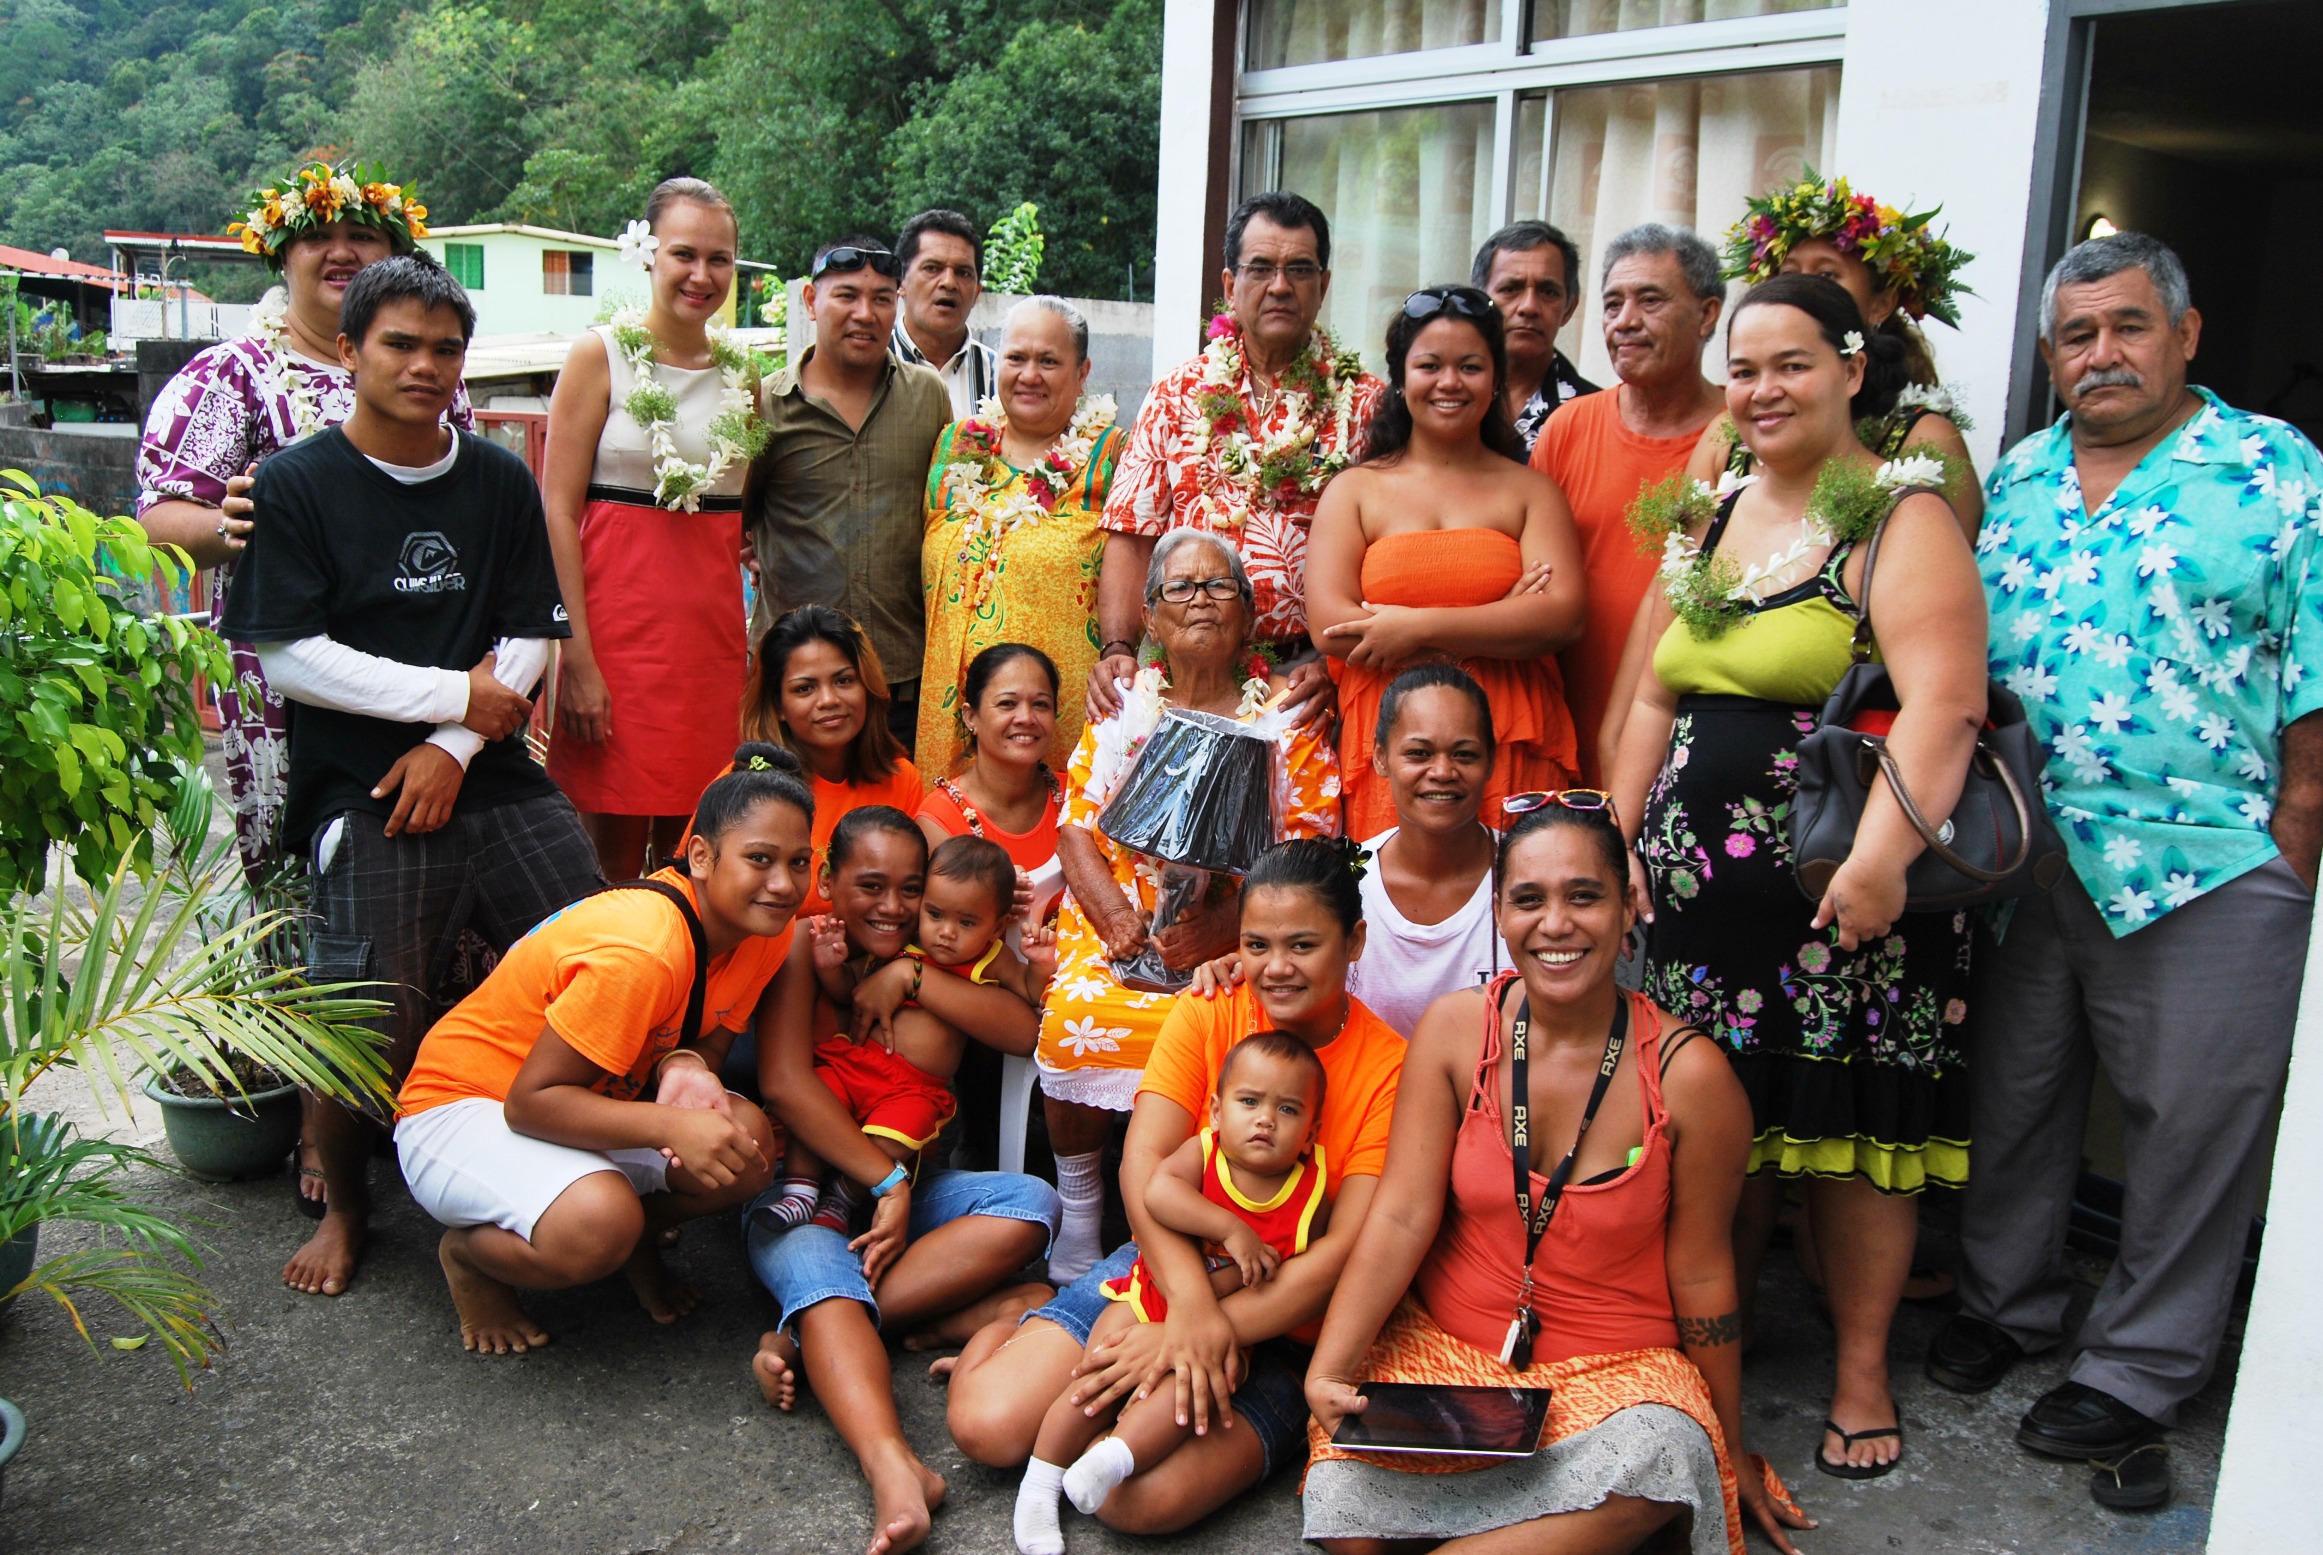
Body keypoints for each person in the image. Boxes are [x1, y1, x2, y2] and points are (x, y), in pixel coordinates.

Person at [1929, 233, 2323, 1514]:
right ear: (2048, 357)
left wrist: (2296, 837)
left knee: (2190, 1128)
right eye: (2076, 336)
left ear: (2187, 334)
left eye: (2127, 327)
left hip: (2209, 862)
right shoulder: (2024, 478)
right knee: (2019, 1096)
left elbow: (2315, 670)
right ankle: (2008, 1302)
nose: (2101, 353)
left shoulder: (2275, 471)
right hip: (2030, 856)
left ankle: (2147, 1363)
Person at [1606, 272, 1989, 1479]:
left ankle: (1862, 1371)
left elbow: (1946, 704)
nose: (1762, 390)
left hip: (1844, 898)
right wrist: (1613, 840)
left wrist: (1880, 863)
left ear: (1850, 369)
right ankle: (1713, 1345)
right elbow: (1652, 692)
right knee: (1723, 1130)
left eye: (1790, 365)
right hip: (1697, 909)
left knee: (1848, 1132)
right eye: (1745, 368)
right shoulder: (1707, 516)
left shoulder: (1896, 515)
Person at [217, 254, 606, 1300]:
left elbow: (530, 631)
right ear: (348, 351)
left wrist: (455, 744)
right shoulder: (297, 482)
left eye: (445, 348)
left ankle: (615, 1181)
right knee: (362, 1014)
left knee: (606, 953)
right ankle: (348, 1207)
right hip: (360, 790)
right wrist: (447, 698)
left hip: (491, 774)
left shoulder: (494, 477)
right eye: (400, 343)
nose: (425, 365)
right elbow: (290, 655)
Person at [1301, 800, 1811, 1554]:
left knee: (1661, 1454)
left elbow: (1704, 1274)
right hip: (1446, 1355)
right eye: (1529, 899)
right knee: (1344, 1511)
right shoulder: (1453, 1030)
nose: (1555, 924)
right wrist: (1329, 1369)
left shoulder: (1689, 1075)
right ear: (1499, 912)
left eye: (1583, 895)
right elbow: (1401, 1216)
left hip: (1615, 1380)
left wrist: (1727, 1447)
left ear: (1627, 904)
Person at [944, 839, 1406, 1537]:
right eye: (1256, 943)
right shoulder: (1210, 1009)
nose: (1275, 967)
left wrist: (1197, 1331)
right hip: (1161, 1277)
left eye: (1303, 945)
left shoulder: (1388, 1066)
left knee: (1129, 1499)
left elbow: (1343, 1253)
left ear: (1354, 941)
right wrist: (1182, 1308)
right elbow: (1143, 1165)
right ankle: (1021, 1318)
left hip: (1283, 1331)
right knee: (987, 1426)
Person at [393, 746, 804, 1351]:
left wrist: (686, 1065)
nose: (783, 884)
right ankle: (472, 1261)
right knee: (599, 1221)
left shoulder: (767, 929)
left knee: (747, 1148)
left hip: (578, 1103)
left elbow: (705, 1044)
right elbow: (528, 1105)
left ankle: (630, 1240)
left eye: (799, 862)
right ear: (701, 856)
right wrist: (669, 1123)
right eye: (760, 859)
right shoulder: (643, 951)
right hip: (461, 1108)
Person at [745, 807, 1063, 1555]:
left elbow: (1023, 1031)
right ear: (829, 883)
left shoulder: (927, 952)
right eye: (870, 886)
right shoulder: (808, 942)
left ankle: (812, 1336)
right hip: (803, 1191)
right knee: (819, 1260)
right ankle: (893, 1466)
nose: (892, 906)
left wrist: (912, 972)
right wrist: (885, 1181)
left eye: (909, 889)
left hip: (905, 1187)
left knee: (1032, 1202)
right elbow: (790, 1086)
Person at [138, 157, 464, 883]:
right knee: (313, 879)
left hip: (425, 655)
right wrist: (228, 525)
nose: (343, 251)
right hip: (291, 676)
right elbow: (157, 518)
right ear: (283, 253)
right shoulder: (230, 376)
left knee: (434, 854)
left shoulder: (432, 371)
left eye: (364, 235)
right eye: (320, 234)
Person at [1035, 531, 1341, 1282]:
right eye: (1180, 587)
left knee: (1234, 1020)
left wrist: (1227, 926)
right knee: (1080, 1013)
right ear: (1149, 616)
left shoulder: (1287, 714)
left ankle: (1207, 1213)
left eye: (1219, 586)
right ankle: (1081, 1215)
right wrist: (1114, 919)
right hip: (1117, 911)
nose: (1200, 599)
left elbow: (1313, 848)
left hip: (1244, 921)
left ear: (1247, 617)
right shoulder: (1121, 705)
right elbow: (1074, 826)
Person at [1014, 1033, 1331, 1554]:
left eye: (1288, 1109)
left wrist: (1216, 1293)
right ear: (1216, 1109)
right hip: (1150, 1293)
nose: (1265, 1119)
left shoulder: (1308, 1196)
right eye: (1248, 1102)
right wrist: (1228, 1229)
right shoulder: (1204, 1153)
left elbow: (1276, 1275)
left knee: (1189, 1395)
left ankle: (1111, 1459)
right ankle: (1040, 1483)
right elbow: (1159, 1191)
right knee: (1096, 1380)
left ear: (1311, 1131)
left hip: (1225, 1324)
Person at [1088, 192, 1384, 728]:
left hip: (1313, 684)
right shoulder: (1176, 394)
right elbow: (1132, 535)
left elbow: (1388, 557)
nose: (1279, 286)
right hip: (1189, 678)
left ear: (1324, 285)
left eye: (1299, 269)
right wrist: (1116, 648)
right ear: (1229, 285)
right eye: (1261, 268)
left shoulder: (1365, 405)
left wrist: (1338, 670)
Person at [543, 177, 763, 877]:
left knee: (695, 847)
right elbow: (556, 509)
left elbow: (741, 517)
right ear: (648, 255)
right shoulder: (596, 356)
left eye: (719, 259)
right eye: (683, 254)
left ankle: (688, 984)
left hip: (707, 645)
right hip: (612, 639)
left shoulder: (744, 377)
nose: (702, 275)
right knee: (602, 855)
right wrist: (575, 658)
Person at [1306, 285, 1584, 835]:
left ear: (1496, 378)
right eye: (1429, 365)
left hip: (1510, 734)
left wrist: (1413, 627)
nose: (1450, 382)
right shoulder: (1356, 490)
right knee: (1393, 908)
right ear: (1402, 378)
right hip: (1395, 739)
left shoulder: (1532, 492)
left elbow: (1562, 616)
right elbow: (1332, 626)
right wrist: (1499, 619)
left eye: (1471, 366)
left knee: (1516, 905)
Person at [759, 826, 1055, 1230]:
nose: (946, 932)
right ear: (826, 880)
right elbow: (854, 995)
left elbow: (1028, 1008)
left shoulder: (985, 957)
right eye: (935, 914)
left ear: (996, 925)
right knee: (824, 1094)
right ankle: (799, 1191)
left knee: (907, 1135)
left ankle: (842, 1199)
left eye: (966, 922)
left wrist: (1038, 963)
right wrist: (830, 967)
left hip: (913, 1088)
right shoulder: (902, 941)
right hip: (858, 1066)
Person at [1530, 223, 1727, 785]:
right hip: (1567, 735)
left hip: (1687, 742)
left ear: (1708, 315)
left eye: (1650, 300)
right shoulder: (1569, 426)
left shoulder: (1741, 437)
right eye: (1613, 304)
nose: (1625, 321)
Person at [744, 236, 950, 749]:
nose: (866, 313)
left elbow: (949, 517)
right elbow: (729, 524)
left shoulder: (928, 397)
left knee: (897, 826)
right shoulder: (764, 405)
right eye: (847, 296)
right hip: (794, 690)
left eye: (882, 298)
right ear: (811, 301)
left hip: (901, 682)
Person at [1697, 170, 1983, 536]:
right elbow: (1678, 566)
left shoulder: (1923, 436)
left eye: (1827, 276)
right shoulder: (1728, 432)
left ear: (1881, 304)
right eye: (1789, 275)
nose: (1804, 289)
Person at [919, 298, 1122, 778]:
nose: (1029, 374)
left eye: (1049, 361)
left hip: (1054, 725)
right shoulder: (955, 444)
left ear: (1082, 370)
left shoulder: (1114, 457)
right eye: (1016, 358)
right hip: (949, 719)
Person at [1344, 665, 1504, 1039]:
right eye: (1419, 753)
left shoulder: (1530, 874)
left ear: (1491, 761)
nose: (1443, 771)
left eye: (1464, 755)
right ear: (1381, 758)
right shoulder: (1342, 879)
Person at [744, 605, 925, 917]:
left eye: (843, 681)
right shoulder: (744, 786)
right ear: (778, 707)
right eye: (805, 688)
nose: (829, 700)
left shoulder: (902, 779)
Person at [1472, 220, 1599, 451]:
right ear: (1479, 301)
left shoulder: (1597, 419)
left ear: (1569, 308)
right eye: (1510, 289)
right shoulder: (1444, 398)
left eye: (1548, 292)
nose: (1529, 307)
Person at [891, 209, 997, 420]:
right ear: (900, 282)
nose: (948, 282)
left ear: (977, 292)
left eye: (963, 273)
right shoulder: (869, 365)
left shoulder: (1001, 376)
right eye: (932, 268)